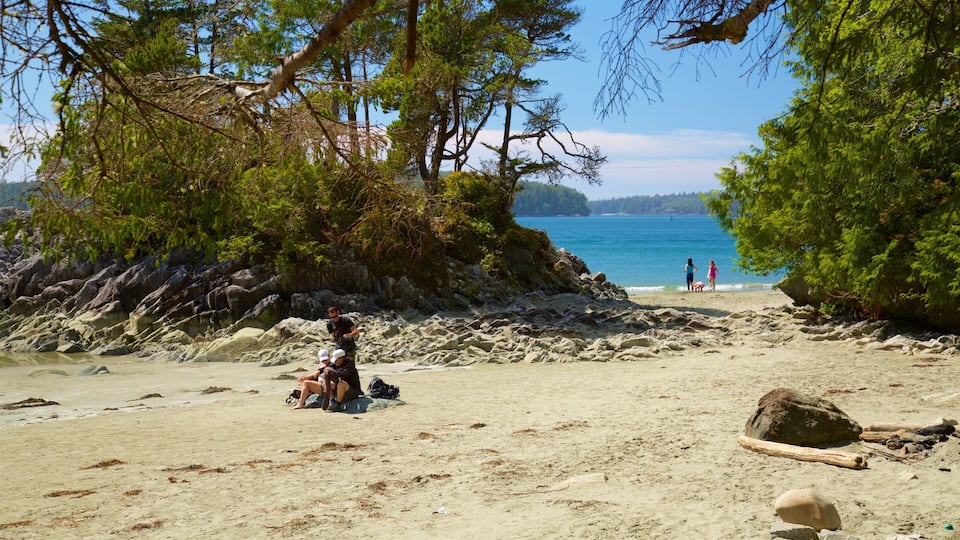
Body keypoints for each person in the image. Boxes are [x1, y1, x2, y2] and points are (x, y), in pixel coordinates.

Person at [321, 348, 363, 413]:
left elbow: (342, 374)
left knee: (341, 384)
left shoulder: (349, 364)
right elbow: (328, 367)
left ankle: (338, 404)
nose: (335, 362)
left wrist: (331, 371)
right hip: (341, 390)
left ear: (341, 358)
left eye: (336, 360)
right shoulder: (337, 364)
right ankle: (332, 401)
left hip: (353, 390)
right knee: (325, 383)